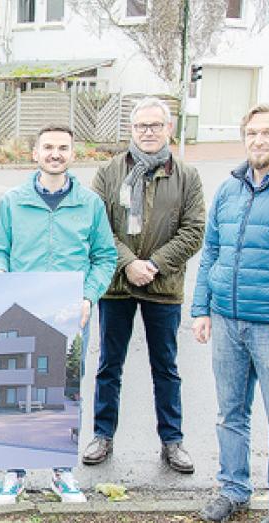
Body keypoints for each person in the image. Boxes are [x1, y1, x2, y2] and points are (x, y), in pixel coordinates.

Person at [0, 123, 117, 506]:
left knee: (66, 389)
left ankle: (61, 471)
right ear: (35, 153)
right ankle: (15, 470)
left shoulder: (90, 204)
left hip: (71, 314)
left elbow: (104, 257)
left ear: (73, 154)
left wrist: (89, 296)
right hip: (24, 311)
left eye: (62, 147)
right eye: (48, 147)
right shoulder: (13, 201)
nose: (55, 153)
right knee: (18, 386)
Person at [193, 104, 269, 523]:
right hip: (227, 321)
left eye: (268, 134)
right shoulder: (228, 189)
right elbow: (212, 253)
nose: (259, 141)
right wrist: (201, 308)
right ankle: (233, 489)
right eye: (252, 133)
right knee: (229, 414)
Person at [87, 97, 205, 473]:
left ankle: (173, 441)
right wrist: (129, 264)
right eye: (141, 126)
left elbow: (194, 231)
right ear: (132, 130)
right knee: (109, 365)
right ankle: (102, 435)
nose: (148, 132)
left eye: (156, 125)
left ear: (169, 129)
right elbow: (98, 226)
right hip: (117, 286)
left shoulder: (187, 176)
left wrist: (153, 264)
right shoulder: (108, 173)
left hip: (164, 286)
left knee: (166, 367)